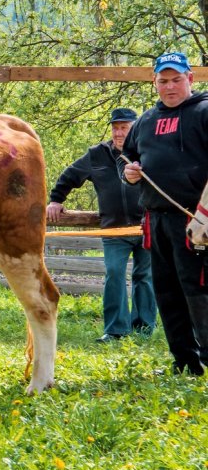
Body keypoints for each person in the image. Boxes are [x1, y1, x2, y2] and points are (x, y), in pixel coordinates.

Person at [123, 51, 208, 374]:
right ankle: (185, 361)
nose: (169, 87)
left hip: (196, 220)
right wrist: (129, 173)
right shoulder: (145, 120)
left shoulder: (203, 112)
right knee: (167, 291)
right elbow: (127, 157)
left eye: (176, 80)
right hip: (155, 220)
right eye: (163, 81)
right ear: (154, 82)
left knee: (198, 289)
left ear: (190, 79)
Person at [47, 107, 156, 342]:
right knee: (114, 273)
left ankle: (145, 327)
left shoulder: (147, 152)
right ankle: (116, 330)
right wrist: (56, 200)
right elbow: (69, 176)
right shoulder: (97, 154)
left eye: (124, 128)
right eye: (115, 128)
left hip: (146, 227)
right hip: (113, 228)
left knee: (144, 275)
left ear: (135, 129)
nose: (118, 133)